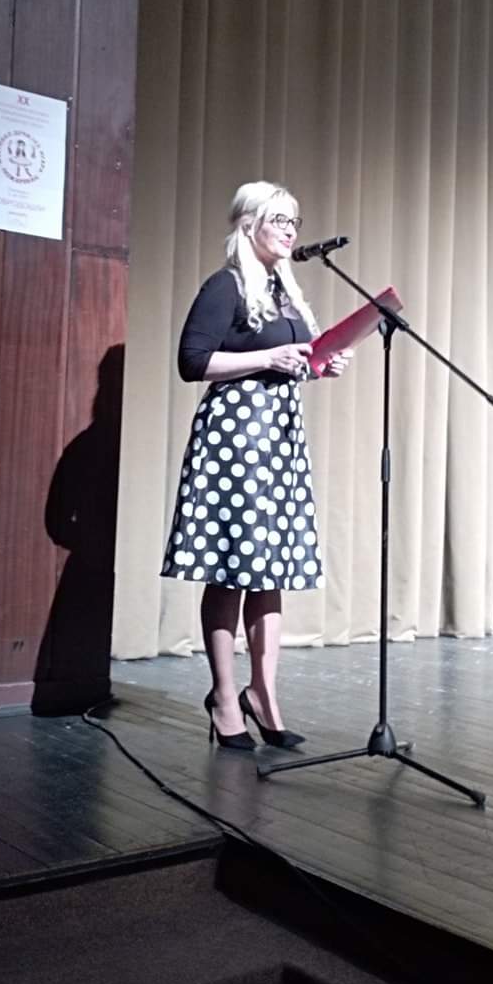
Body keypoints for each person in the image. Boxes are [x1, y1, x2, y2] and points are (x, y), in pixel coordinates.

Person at [161, 181, 351, 750]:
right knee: (231, 569)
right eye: (279, 220)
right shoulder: (226, 286)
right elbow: (192, 361)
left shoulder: (284, 290)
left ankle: (264, 695)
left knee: (270, 571)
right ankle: (225, 698)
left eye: (295, 221)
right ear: (249, 224)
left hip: (280, 442)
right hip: (234, 440)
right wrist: (270, 356)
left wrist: (319, 365)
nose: (291, 231)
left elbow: (291, 363)